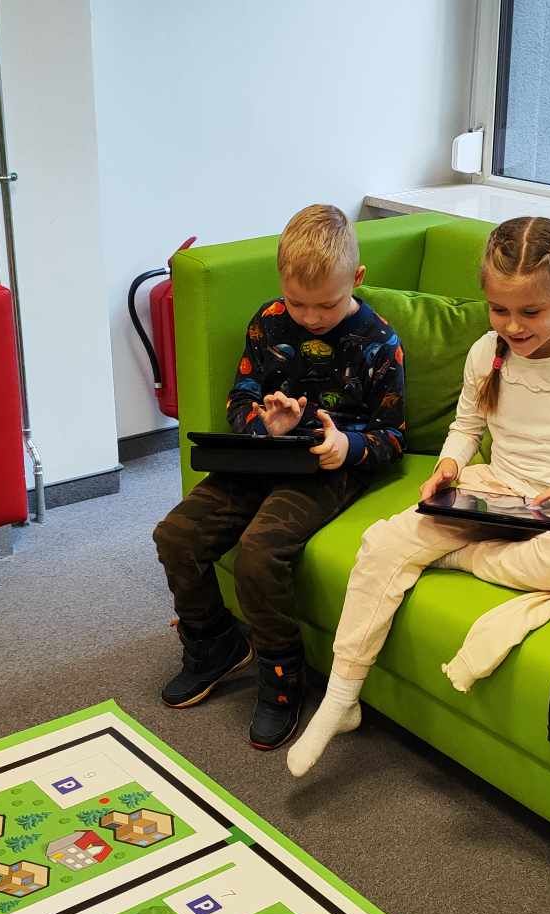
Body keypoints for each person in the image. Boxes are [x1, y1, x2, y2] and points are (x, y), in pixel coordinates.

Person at [288, 215, 550, 778]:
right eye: (499, 310)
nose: (513, 326)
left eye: (531, 312)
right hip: (494, 491)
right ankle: (342, 695)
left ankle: (457, 555)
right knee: (382, 544)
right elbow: (467, 426)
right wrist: (449, 466)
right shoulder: (486, 351)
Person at [152, 204, 406, 751]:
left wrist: (346, 446)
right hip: (262, 455)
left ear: (357, 278)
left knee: (259, 551)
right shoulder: (267, 321)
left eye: (327, 304)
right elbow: (239, 397)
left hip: (328, 469)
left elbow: (392, 436)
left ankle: (282, 673)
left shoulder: (379, 341)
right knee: (175, 535)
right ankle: (213, 643)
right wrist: (264, 425)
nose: (311, 317)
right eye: (297, 302)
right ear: (281, 283)